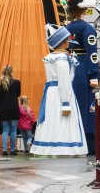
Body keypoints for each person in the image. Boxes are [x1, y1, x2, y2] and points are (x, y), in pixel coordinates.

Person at [31, 24, 87, 156]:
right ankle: (64, 148)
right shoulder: (61, 60)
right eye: (67, 40)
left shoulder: (52, 58)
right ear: (62, 42)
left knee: (52, 119)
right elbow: (64, 80)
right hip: (61, 92)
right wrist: (65, 103)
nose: (69, 42)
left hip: (52, 93)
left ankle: (48, 146)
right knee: (62, 121)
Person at [64, 0, 100, 155]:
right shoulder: (87, 29)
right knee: (88, 105)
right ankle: (90, 143)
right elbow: (92, 54)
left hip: (70, 67)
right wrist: (94, 75)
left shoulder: (66, 28)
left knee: (74, 104)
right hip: (84, 68)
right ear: (83, 9)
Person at [0, 65, 21, 156]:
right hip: (14, 108)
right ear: (11, 72)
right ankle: (12, 150)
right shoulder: (17, 82)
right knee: (13, 130)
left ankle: (4, 150)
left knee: (5, 130)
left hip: (3, 109)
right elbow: (18, 94)